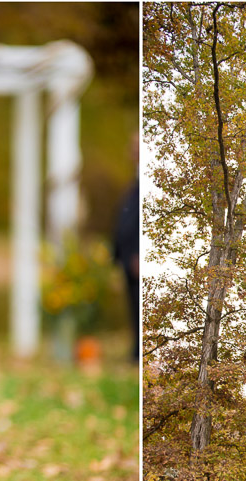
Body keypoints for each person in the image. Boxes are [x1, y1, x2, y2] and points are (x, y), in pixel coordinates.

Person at [112, 132, 139, 362]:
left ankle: (137, 353)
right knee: (132, 304)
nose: (130, 151)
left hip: (137, 257)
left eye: (134, 146)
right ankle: (136, 352)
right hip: (129, 256)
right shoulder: (134, 180)